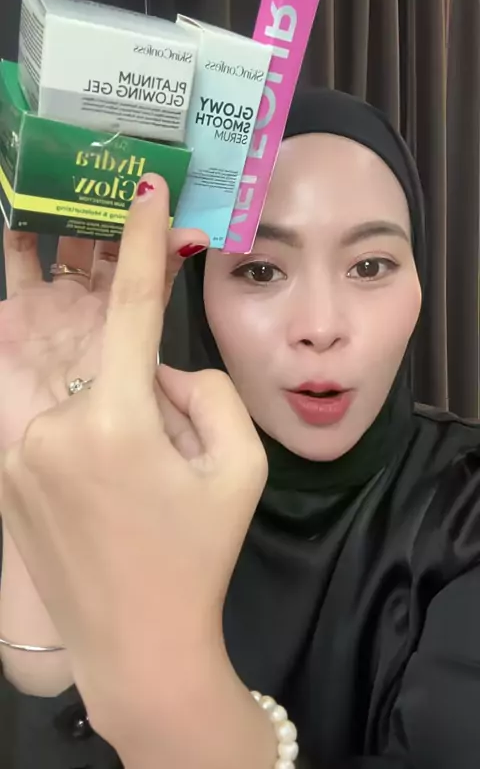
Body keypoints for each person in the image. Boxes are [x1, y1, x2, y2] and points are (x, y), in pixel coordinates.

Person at [1, 89, 480, 769]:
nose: (320, 326)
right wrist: (42, 486)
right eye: (260, 269)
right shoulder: (133, 481)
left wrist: (170, 688)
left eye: (370, 266)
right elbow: (46, 725)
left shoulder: (466, 512)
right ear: (200, 292)